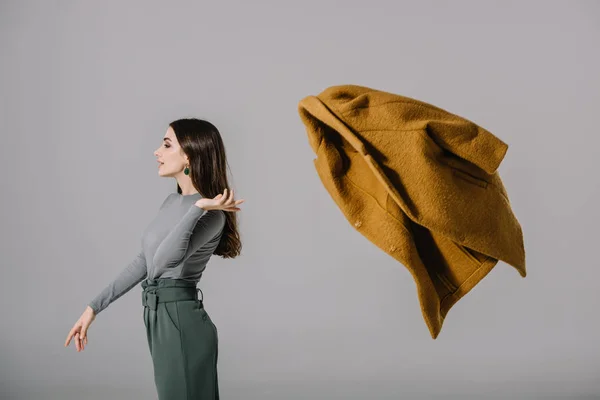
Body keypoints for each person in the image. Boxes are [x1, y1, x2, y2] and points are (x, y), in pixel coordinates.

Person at [64, 118, 244, 399]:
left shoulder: (212, 215)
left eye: (166, 144)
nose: (156, 151)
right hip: (157, 317)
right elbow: (143, 262)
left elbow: (161, 264)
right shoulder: (171, 203)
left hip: (181, 320)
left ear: (189, 155)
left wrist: (197, 207)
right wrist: (92, 308)